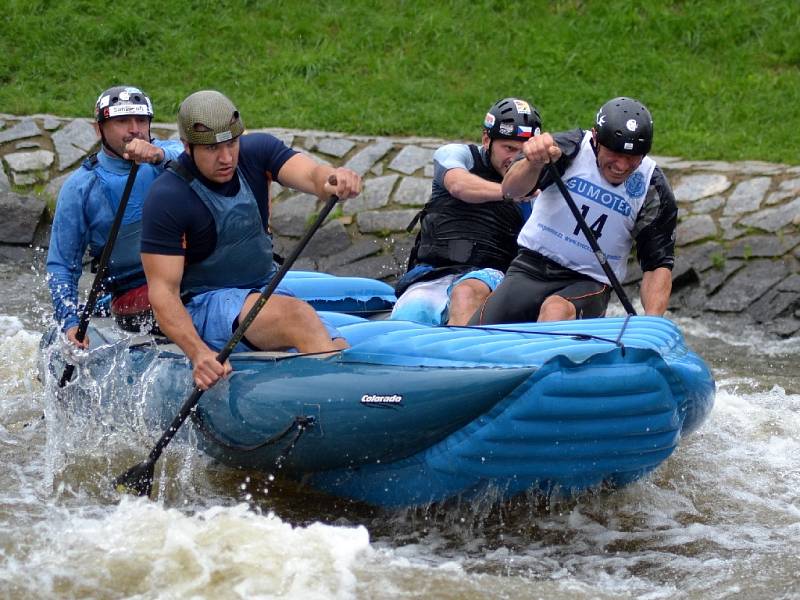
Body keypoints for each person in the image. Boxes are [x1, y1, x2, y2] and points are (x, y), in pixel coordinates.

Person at [140, 90, 362, 390]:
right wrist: (199, 353)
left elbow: (313, 176)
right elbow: (163, 294)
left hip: (262, 290)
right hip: (204, 303)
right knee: (299, 318)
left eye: (232, 144)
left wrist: (332, 179)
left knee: (337, 345)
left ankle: (331, 398)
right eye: (212, 149)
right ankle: (336, 404)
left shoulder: (258, 151)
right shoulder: (167, 196)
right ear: (186, 147)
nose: (227, 157)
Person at [469, 97, 677, 325]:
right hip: (530, 268)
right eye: (615, 154)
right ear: (596, 139)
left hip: (590, 282)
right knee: (477, 329)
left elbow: (657, 263)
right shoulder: (568, 148)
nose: (621, 166)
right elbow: (511, 190)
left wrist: (652, 326)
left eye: (632, 158)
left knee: (556, 310)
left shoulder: (652, 188)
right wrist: (533, 163)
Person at [47, 85, 184, 347]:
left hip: (187, 275)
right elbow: (62, 265)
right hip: (133, 294)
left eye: (141, 120)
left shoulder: (168, 155)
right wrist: (70, 322)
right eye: (122, 121)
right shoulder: (80, 188)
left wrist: (159, 156)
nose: (135, 129)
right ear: (98, 129)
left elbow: (193, 159)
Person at [390, 97, 542, 325]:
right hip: (434, 273)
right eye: (508, 148)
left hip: (492, 277)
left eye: (523, 152)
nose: (515, 159)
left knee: (465, 293)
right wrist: (511, 191)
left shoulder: (538, 187)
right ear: (486, 139)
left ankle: (461, 357)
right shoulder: (456, 155)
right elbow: (458, 185)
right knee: (412, 312)